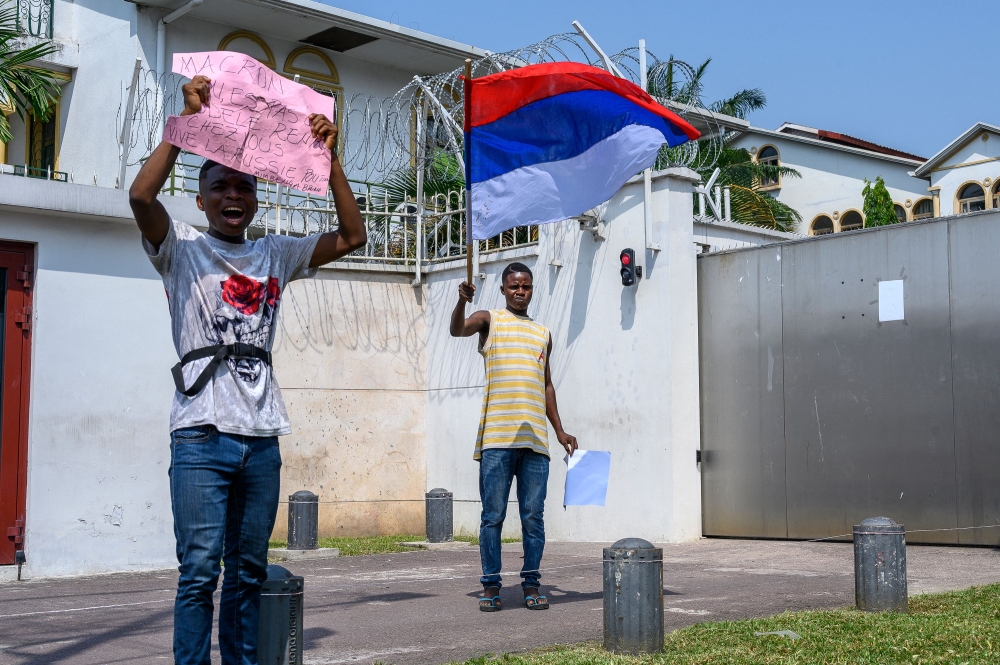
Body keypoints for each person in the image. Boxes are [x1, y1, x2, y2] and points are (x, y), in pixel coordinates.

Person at [128, 75, 366, 665]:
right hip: (201, 435)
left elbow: (354, 235)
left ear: (255, 197)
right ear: (203, 196)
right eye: (220, 187)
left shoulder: (275, 253)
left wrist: (330, 160)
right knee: (200, 571)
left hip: (260, 440)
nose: (233, 196)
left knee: (249, 570)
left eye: (244, 186)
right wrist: (183, 127)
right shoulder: (179, 247)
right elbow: (140, 198)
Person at [450, 262, 578, 612]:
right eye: (513, 287)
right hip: (497, 440)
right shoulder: (488, 319)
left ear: (531, 289)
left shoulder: (542, 333)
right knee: (492, 517)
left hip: (535, 442)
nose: (520, 291)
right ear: (504, 289)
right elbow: (457, 329)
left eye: (526, 286)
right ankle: (491, 586)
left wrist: (560, 429)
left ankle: (532, 582)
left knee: (533, 517)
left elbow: (546, 384)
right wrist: (461, 301)